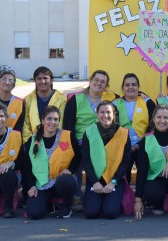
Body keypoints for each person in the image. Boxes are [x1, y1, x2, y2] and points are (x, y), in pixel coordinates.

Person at [62, 69, 117, 210]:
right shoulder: (76, 99)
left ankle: (105, 191)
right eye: (96, 80)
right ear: (90, 81)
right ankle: (76, 196)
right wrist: (75, 145)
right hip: (79, 141)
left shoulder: (110, 100)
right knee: (76, 159)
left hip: (102, 142)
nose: (99, 83)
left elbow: (129, 97)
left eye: (103, 82)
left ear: (106, 86)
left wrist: (143, 95)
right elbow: (68, 127)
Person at [23, 106, 81, 220]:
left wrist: (70, 170)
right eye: (49, 119)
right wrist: (31, 186)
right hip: (42, 185)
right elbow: (27, 167)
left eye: (56, 119)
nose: (52, 122)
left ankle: (66, 207)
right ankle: (50, 206)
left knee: (66, 180)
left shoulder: (68, 136)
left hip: (61, 182)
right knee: (34, 213)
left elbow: (78, 156)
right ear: (43, 120)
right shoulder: (32, 139)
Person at [82, 100, 131, 219]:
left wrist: (113, 182)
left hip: (115, 180)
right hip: (95, 180)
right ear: (97, 115)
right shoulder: (89, 132)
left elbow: (126, 162)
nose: (105, 115)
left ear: (114, 114)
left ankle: (113, 199)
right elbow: (86, 161)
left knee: (110, 212)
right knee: (91, 213)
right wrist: (95, 182)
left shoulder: (123, 133)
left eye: (108, 112)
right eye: (102, 112)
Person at [113, 73, 156, 182]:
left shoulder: (148, 102)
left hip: (144, 144)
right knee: (122, 172)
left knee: (144, 169)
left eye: (134, 84)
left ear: (138, 87)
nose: (130, 87)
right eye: (127, 85)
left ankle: (140, 197)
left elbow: (154, 125)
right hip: (122, 145)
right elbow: (112, 127)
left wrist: (140, 143)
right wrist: (126, 145)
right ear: (122, 88)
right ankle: (125, 196)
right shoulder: (115, 104)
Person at [23, 66, 66, 143]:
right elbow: (25, 125)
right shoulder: (28, 99)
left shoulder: (62, 99)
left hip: (55, 140)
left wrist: (53, 140)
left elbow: (61, 122)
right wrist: (30, 143)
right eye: (39, 78)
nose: (42, 81)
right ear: (35, 81)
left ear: (51, 81)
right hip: (33, 141)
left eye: (45, 78)